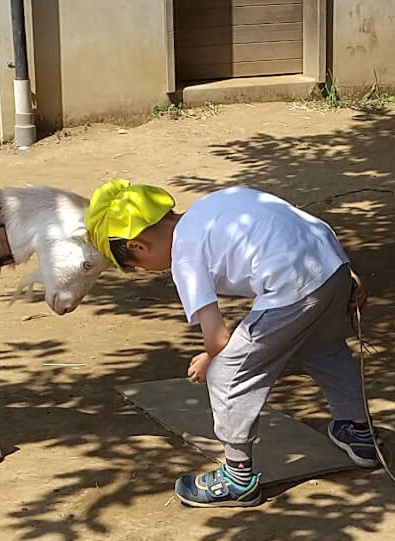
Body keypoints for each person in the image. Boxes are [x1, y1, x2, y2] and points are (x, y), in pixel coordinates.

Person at [85, 181, 379, 507]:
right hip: (331, 265)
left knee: (228, 374)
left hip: (294, 289)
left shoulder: (184, 254)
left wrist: (210, 360)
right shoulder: (213, 204)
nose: (146, 271)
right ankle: (358, 431)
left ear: (138, 246)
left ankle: (237, 478)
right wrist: (346, 273)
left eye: (137, 267)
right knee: (323, 346)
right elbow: (291, 223)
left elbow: (217, 338)